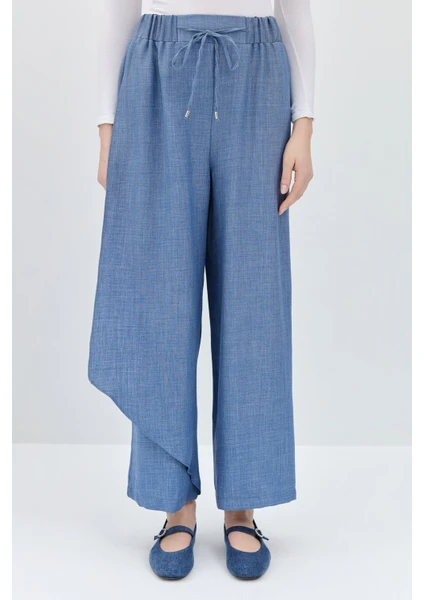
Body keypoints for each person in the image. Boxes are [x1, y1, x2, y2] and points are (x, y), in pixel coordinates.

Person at [89, 0, 314, 580]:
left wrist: (305, 124)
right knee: (159, 298)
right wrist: (107, 127)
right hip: (158, 72)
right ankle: (176, 505)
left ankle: (244, 505)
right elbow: (119, 8)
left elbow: (294, 7)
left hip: (258, 71)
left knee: (255, 302)